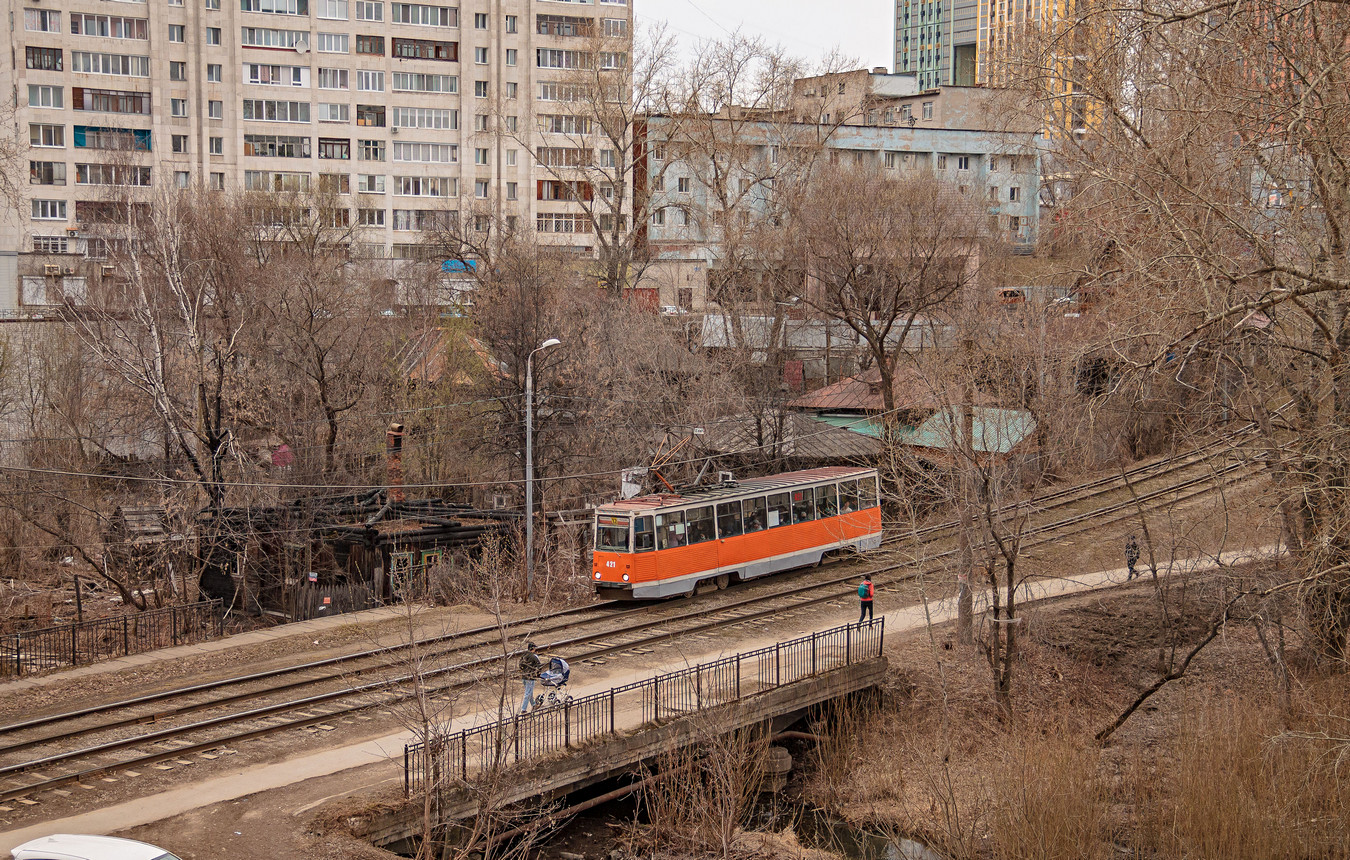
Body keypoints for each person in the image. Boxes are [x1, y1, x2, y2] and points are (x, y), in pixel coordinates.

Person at [519, 641, 542, 714]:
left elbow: (520, 665)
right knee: (528, 693)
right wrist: (538, 674)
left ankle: (534, 705)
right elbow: (539, 666)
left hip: (524, 676)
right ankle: (523, 709)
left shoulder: (524, 655)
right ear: (533, 648)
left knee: (530, 692)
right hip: (530, 677)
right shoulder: (534, 657)